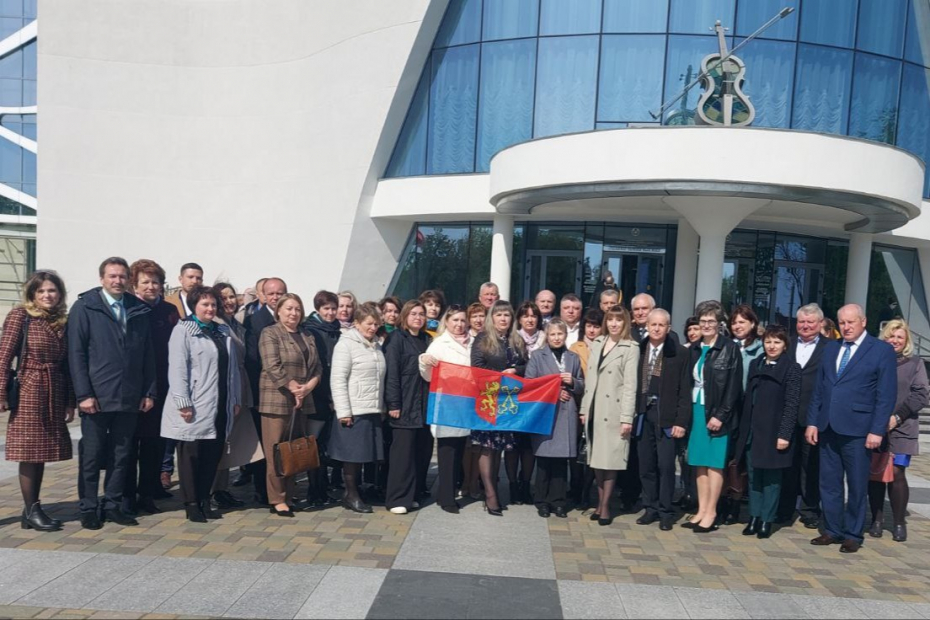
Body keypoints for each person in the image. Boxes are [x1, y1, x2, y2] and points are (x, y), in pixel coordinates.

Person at [69, 257, 156, 530]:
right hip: (96, 397)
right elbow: (76, 354)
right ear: (102, 279)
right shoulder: (85, 307)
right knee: (92, 456)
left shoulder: (138, 310)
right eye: (112, 276)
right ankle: (89, 507)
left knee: (122, 455)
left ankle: (113, 505)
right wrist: (83, 394)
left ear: (128, 280)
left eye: (122, 276)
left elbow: (148, 355)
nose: (117, 281)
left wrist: (149, 391)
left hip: (129, 396)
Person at [807, 303, 897, 554]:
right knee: (829, 482)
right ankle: (832, 529)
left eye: (851, 322)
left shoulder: (880, 351)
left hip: (859, 429)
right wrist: (813, 421)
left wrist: (877, 429)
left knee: (857, 484)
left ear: (863, 322)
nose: (846, 327)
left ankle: (853, 533)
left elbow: (886, 395)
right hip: (828, 426)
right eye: (842, 323)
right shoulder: (830, 348)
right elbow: (820, 389)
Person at [0, 270, 74, 532]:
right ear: (32, 294)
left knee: (41, 452)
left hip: (54, 390)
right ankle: (32, 510)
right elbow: (4, 356)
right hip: (30, 389)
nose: (47, 295)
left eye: (52, 290)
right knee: (30, 452)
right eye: (41, 291)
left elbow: (67, 364)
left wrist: (69, 401)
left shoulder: (61, 321)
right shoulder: (20, 317)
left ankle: (31, 509)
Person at [163, 286, 242, 523]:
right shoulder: (184, 330)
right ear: (194, 306)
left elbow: (233, 371)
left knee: (212, 454)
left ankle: (205, 498)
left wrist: (235, 398)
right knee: (191, 456)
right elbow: (177, 368)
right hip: (195, 404)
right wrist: (183, 402)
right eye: (205, 304)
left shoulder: (222, 330)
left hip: (220, 403)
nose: (210, 309)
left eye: (213, 305)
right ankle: (191, 503)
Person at [733, 325, 801, 539]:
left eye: (777, 342)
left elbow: (792, 404)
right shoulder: (756, 364)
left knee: (771, 479)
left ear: (785, 345)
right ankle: (753, 516)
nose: (772, 346)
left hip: (774, 432)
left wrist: (785, 434)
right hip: (753, 431)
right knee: (754, 476)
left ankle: (766, 519)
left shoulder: (791, 368)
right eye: (769, 341)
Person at [259, 293, 322, 517]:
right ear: (279, 311)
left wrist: (308, 387)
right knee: (276, 450)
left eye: (297, 309)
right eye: (288, 309)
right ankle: (277, 499)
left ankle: (290, 493)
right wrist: (295, 387)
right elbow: (272, 365)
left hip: (302, 400)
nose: (293, 313)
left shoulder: (307, 335)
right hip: (276, 400)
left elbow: (317, 368)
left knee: (293, 451)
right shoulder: (270, 333)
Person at [124, 260, 178, 516]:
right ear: (134, 284)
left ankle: (148, 492)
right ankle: (126, 496)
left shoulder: (169, 311)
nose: (151, 286)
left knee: (154, 443)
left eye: (156, 282)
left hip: (162, 386)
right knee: (129, 444)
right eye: (145, 281)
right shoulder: (128, 308)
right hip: (133, 387)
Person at [684, 300, 742, 534]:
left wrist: (721, 415)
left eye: (711, 321)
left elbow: (733, 387)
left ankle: (711, 512)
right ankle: (701, 509)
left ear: (719, 324)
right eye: (703, 320)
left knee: (714, 464)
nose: (706, 325)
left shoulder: (729, 348)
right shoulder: (696, 348)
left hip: (718, 414)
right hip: (697, 409)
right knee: (699, 462)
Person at [869, 319, 928, 543]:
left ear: (906, 341)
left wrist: (897, 417)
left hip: (902, 427)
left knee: (896, 474)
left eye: (899, 337)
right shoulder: (875, 361)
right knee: (874, 474)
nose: (894, 340)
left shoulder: (915, 364)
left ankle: (899, 522)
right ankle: (876, 519)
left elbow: (921, 394)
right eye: (891, 336)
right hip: (875, 427)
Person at [579, 305, 637, 526]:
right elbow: (590, 380)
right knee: (596, 458)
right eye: (610, 320)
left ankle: (605, 506)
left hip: (614, 410)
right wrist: (585, 408)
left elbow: (630, 386)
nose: (614, 324)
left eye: (618, 320)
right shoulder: (598, 343)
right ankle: (600, 501)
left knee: (611, 459)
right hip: (595, 409)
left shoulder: (631, 348)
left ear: (625, 323)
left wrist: (626, 418)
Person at [635, 308, 692, 531]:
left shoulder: (679, 353)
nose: (657, 329)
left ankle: (666, 510)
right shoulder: (639, 350)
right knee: (646, 464)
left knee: (666, 465)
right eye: (653, 325)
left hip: (667, 415)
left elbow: (685, 391)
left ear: (668, 328)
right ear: (647, 327)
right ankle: (650, 507)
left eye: (661, 325)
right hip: (643, 413)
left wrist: (681, 421)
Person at [471, 300, 527, 516]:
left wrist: (515, 371)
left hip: (508, 401)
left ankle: (492, 486)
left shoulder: (516, 339)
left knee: (499, 447)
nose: (503, 319)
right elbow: (476, 367)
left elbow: (526, 365)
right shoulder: (483, 339)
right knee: (487, 446)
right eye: (499, 315)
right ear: (491, 317)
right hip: (488, 397)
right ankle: (491, 494)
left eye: (507, 315)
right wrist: (500, 375)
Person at [329, 302, 387, 514]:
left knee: (364, 454)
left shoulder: (375, 345)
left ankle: (358, 490)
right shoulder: (346, 345)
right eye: (369, 324)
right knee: (352, 456)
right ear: (357, 323)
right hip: (354, 408)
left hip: (372, 407)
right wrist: (344, 411)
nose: (373, 328)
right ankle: (350, 494)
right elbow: (338, 379)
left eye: (376, 324)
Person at [211, 282, 261, 510]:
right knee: (220, 442)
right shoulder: (216, 325)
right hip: (226, 390)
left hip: (241, 387)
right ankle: (214, 490)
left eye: (232, 296)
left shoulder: (236, 323)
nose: (229, 301)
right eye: (224, 298)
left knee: (231, 442)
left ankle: (222, 488)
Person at [527, 319, 584, 519]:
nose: (557, 338)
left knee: (561, 461)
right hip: (546, 412)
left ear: (565, 335)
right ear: (547, 336)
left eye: (560, 334)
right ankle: (542, 501)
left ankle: (558, 501)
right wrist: (554, 391)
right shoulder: (537, 356)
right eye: (552, 334)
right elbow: (531, 383)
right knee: (544, 460)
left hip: (567, 412)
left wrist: (573, 382)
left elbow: (582, 385)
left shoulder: (573, 357)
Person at [778, 303, 828, 527]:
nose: (805, 325)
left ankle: (810, 509)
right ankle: (784, 509)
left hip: (812, 418)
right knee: (787, 464)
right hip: (786, 415)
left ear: (820, 324)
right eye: (801, 321)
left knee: (811, 466)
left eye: (810, 322)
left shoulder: (830, 348)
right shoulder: (786, 344)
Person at [419, 305, 473, 514]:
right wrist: (424, 362)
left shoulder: (473, 342)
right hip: (447, 403)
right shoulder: (439, 344)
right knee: (447, 450)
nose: (459, 325)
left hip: (466, 403)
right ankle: (446, 496)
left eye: (462, 320)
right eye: (455, 321)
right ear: (447, 322)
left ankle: (451, 490)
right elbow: (428, 375)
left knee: (459, 449)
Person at [382, 300, 434, 514]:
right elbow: (392, 373)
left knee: (419, 453)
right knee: (402, 455)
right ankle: (396, 499)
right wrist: (393, 403)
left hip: (424, 405)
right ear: (405, 316)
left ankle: (411, 495)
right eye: (413, 313)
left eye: (421, 314)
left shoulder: (426, 340)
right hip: (404, 403)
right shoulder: (396, 339)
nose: (418, 318)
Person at [242, 277, 287, 503]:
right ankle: (263, 490)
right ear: (263, 296)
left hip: (290, 396)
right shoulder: (255, 321)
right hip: (265, 394)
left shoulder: (293, 316)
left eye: (280, 293)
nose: (276, 297)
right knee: (265, 444)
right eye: (272, 293)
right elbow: (253, 361)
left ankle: (284, 489)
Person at [160, 262, 205, 487]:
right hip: (173, 369)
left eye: (198, 277)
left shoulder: (206, 305)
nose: (194, 281)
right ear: (181, 279)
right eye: (190, 277)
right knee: (173, 426)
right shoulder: (170, 305)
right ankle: (165, 469)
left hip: (198, 375)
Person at [722, 304, 763, 524]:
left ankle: (735, 506)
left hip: (747, 409)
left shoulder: (760, 349)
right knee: (723, 458)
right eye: (734, 322)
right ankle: (721, 501)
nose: (737, 326)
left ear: (753, 324)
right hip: (724, 409)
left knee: (738, 461)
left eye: (742, 322)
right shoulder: (726, 346)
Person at [304, 290, 343, 507]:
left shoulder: (337, 331)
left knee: (326, 445)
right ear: (318, 309)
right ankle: (314, 489)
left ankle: (324, 486)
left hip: (333, 396)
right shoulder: (311, 331)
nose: (330, 312)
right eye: (326, 308)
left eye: (333, 308)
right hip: (318, 396)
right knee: (314, 444)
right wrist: (325, 395)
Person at [569, 308, 602, 507]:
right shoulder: (575, 347)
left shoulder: (607, 346)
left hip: (599, 404)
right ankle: (575, 487)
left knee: (592, 449)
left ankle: (587, 490)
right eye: (589, 326)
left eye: (596, 326)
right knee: (575, 447)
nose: (592, 330)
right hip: (577, 401)